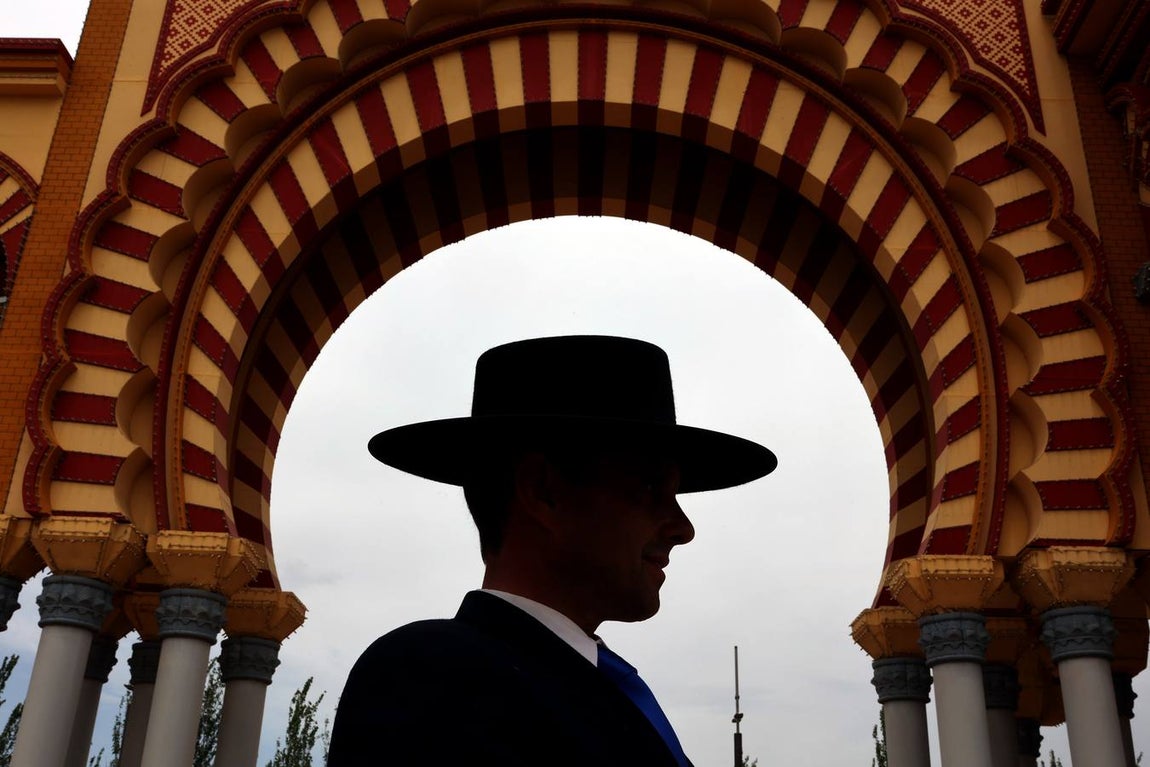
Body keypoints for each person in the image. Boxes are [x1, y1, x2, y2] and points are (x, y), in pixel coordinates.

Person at [328, 335, 776, 766]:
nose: (683, 528)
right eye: (649, 487)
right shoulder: (431, 678)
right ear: (543, 491)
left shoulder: (581, 685)